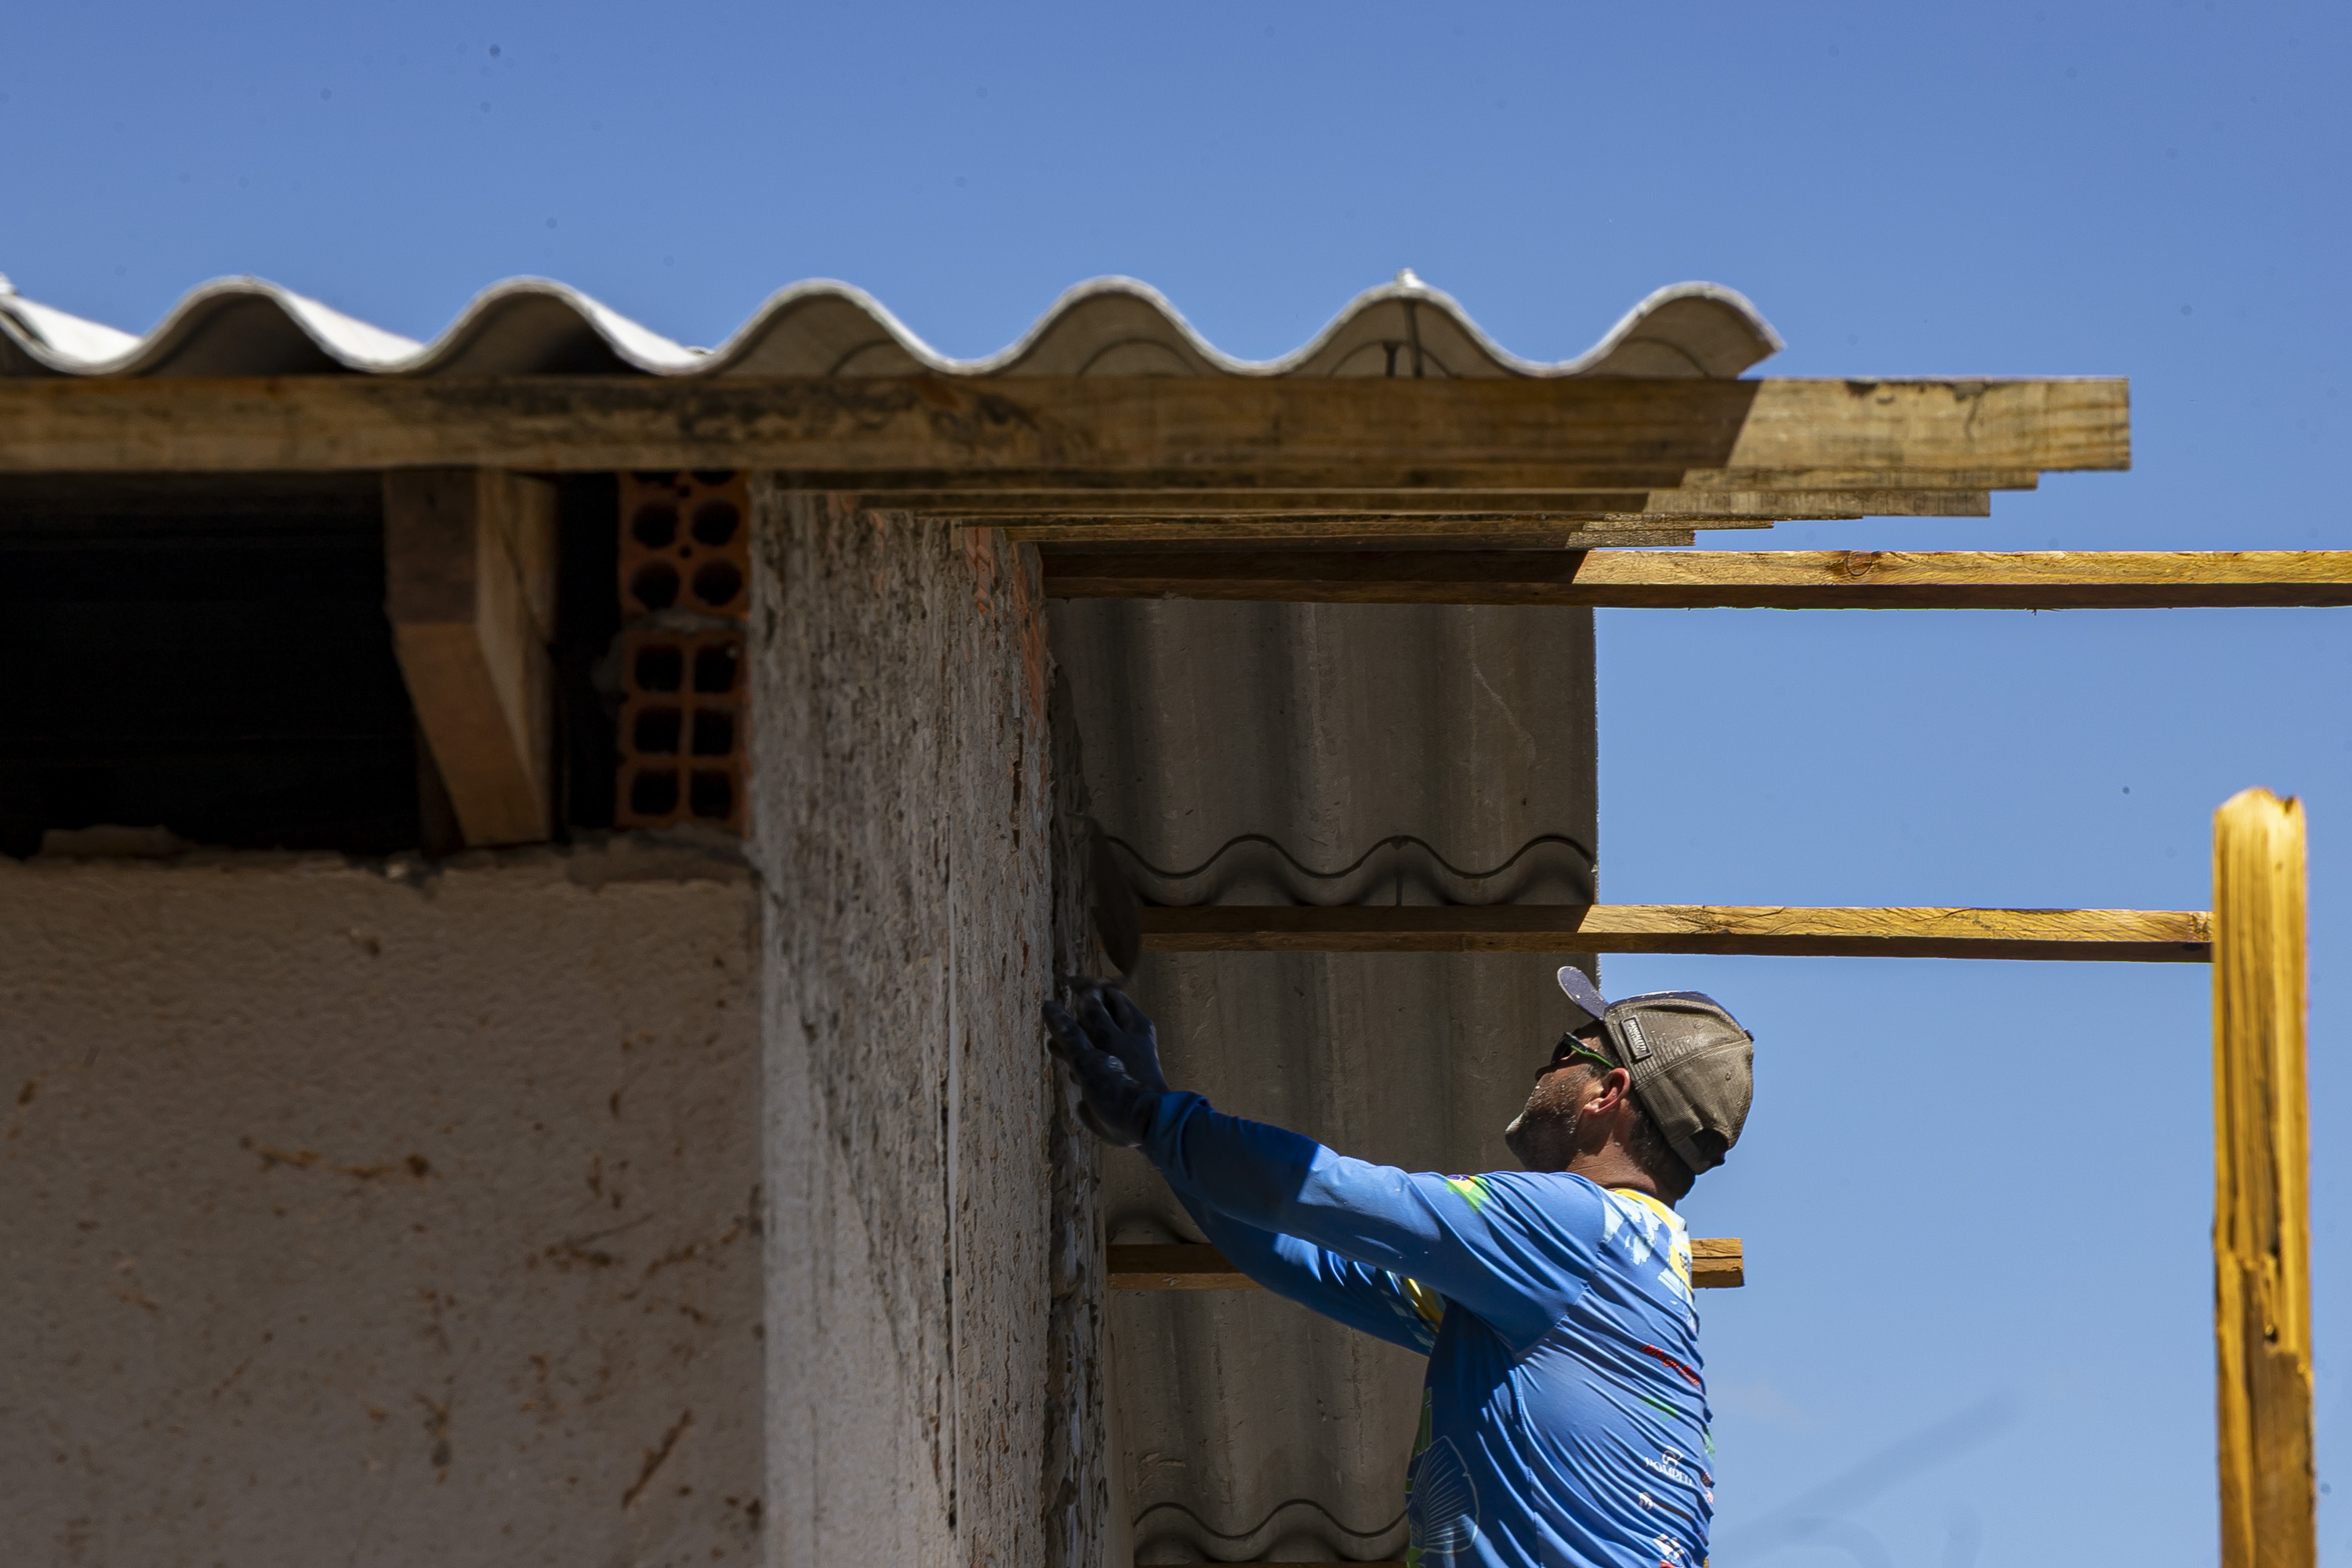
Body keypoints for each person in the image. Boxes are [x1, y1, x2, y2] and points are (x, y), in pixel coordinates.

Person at [1043, 967, 1755, 1568]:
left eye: (1567, 1050)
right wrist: (1160, 1126)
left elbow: (1318, 1189)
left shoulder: (1574, 1228)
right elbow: (1299, 1255)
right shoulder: (1620, 1270)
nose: (1545, 1070)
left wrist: (1152, 1115)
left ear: (1608, 1092)